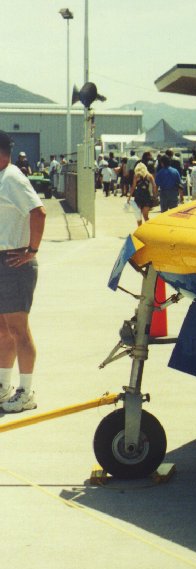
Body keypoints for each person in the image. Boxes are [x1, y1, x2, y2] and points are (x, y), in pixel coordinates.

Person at [0, 131, 46, 414]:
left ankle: (26, 392)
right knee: (2, 330)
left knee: (18, 330)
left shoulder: (13, 177)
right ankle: (3, 385)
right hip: (2, 259)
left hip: (15, 263)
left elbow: (38, 212)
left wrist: (32, 249)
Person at [131, 162, 157, 226]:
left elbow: (133, 187)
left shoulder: (136, 176)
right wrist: (154, 196)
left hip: (138, 196)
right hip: (147, 196)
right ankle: (149, 230)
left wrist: (129, 197)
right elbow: (154, 186)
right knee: (146, 216)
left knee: (138, 216)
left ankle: (140, 230)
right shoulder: (150, 176)